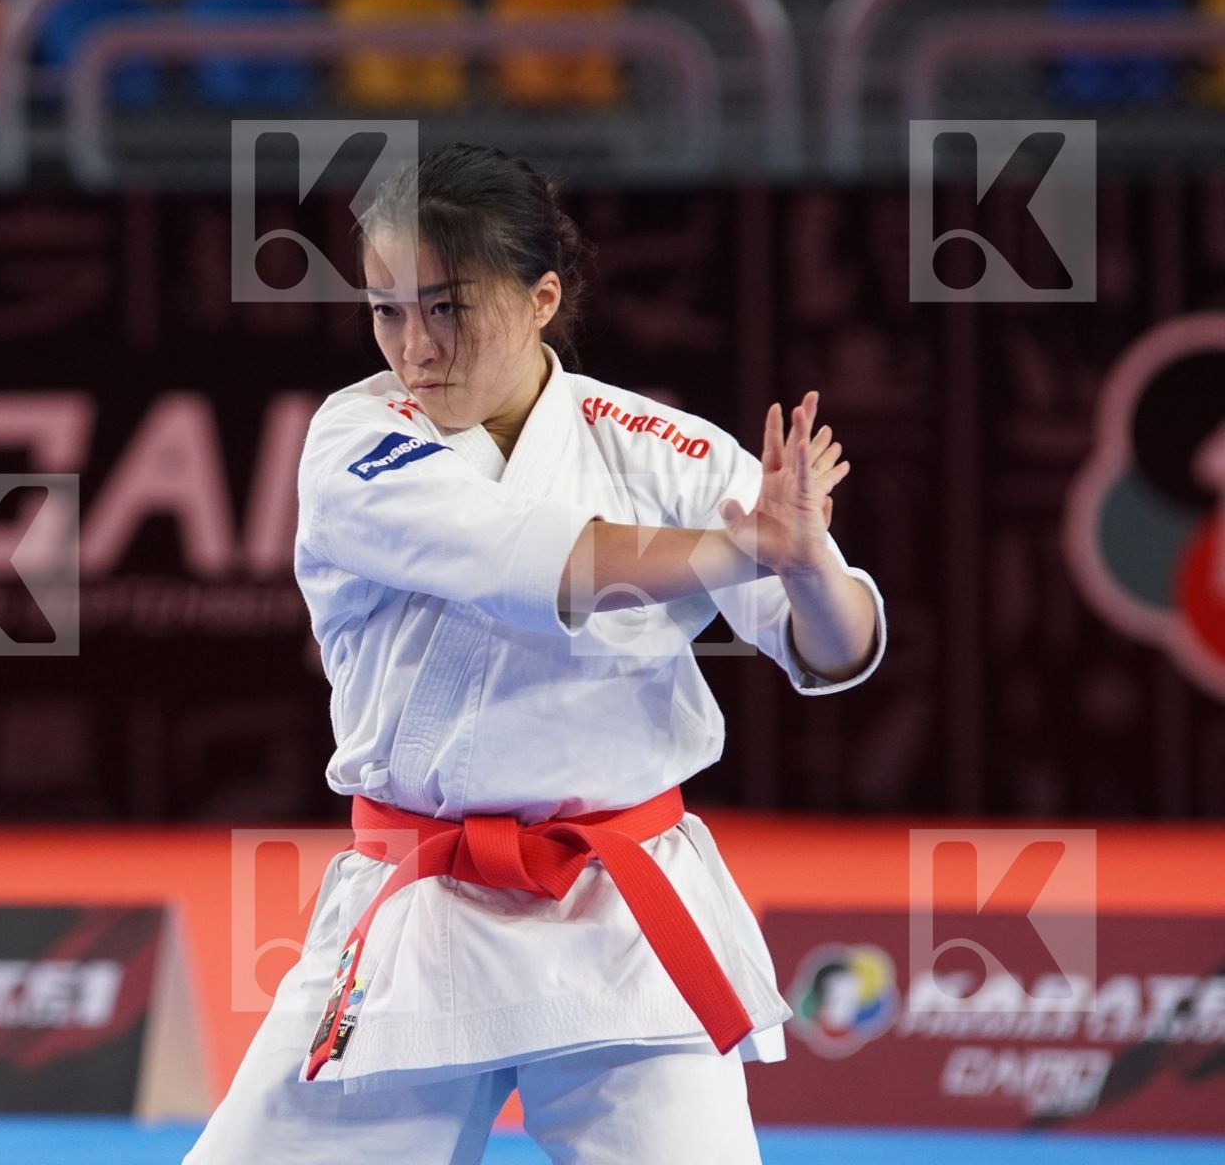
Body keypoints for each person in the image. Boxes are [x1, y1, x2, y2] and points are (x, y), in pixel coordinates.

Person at [184, 144, 885, 1164]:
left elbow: (835, 648)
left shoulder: (663, 451)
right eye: (386, 310)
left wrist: (808, 563)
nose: (414, 349)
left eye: (448, 308)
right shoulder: (353, 440)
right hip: (419, 904)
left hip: (621, 920)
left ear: (541, 296)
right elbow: (533, 561)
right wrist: (738, 548)